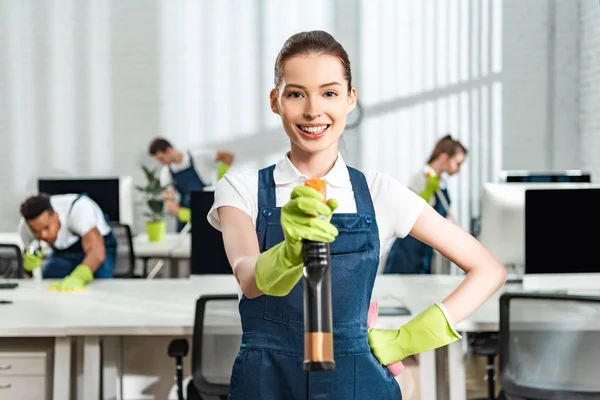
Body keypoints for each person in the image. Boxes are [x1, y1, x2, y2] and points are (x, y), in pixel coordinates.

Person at [207, 30, 506, 399]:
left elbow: (488, 269)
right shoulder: (241, 189)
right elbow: (249, 278)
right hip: (266, 382)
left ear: (350, 99)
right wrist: (289, 251)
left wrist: (407, 339)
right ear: (275, 101)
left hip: (357, 383)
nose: (313, 110)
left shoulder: (380, 192)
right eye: (296, 93)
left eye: (329, 93)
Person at [384, 135, 468, 274]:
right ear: (444, 157)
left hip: (426, 250)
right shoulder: (420, 177)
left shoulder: (442, 184)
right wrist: (427, 191)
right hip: (408, 251)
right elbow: (406, 210)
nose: (458, 169)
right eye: (457, 163)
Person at [18, 193, 117, 291]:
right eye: (36, 231)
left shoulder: (79, 209)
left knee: (101, 286)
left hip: (99, 245)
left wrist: (78, 277)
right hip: (64, 251)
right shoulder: (26, 227)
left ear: (56, 215)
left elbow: (97, 253)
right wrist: (30, 261)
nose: (43, 235)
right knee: (49, 279)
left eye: (46, 228)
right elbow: (31, 257)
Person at [148, 137, 234, 231]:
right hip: (187, 221)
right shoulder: (166, 173)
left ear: (169, 150)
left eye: (161, 158)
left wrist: (221, 179)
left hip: (209, 216)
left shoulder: (199, 157)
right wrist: (190, 216)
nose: (161, 162)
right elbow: (169, 204)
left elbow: (228, 156)